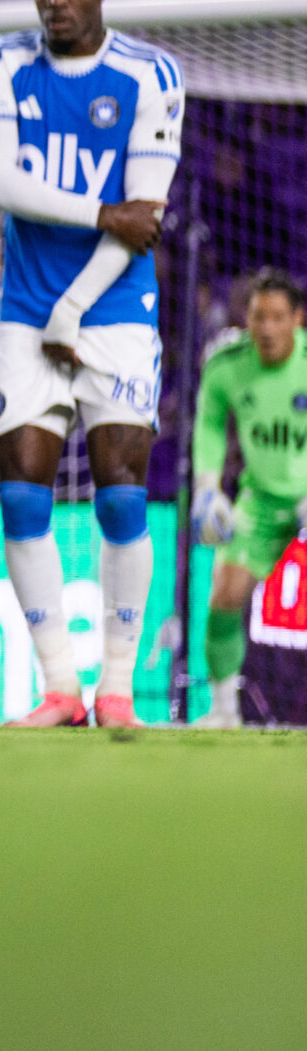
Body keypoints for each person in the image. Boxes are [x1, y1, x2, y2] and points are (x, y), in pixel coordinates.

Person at [0, 0, 182, 728]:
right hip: (25, 311)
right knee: (23, 496)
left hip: (113, 305)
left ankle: (118, 686)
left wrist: (73, 306)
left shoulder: (149, 76)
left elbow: (147, 219)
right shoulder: (0, 63)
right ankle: (60, 686)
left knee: (122, 498)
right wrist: (98, 212)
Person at [188, 269, 307, 726]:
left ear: (298, 319)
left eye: (278, 317)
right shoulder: (227, 365)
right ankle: (222, 711)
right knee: (224, 593)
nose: (268, 328)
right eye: (259, 316)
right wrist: (207, 489)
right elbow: (211, 426)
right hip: (260, 503)